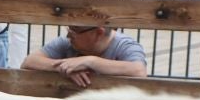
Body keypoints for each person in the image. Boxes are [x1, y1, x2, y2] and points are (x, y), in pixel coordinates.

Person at [20, 24, 148, 85]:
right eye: (69, 29)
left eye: (75, 31)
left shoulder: (125, 46)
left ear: (98, 32)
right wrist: (63, 67)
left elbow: (139, 71)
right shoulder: (67, 42)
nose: (69, 35)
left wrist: (90, 61)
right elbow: (29, 62)